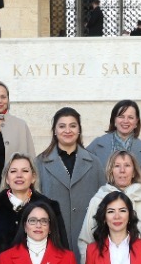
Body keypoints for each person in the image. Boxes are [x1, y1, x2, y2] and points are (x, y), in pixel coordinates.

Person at [37, 106, 104, 251]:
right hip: (53, 237)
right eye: (62, 126)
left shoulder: (95, 163)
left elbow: (103, 202)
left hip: (88, 237)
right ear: (54, 131)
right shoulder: (40, 163)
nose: (68, 130)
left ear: (79, 130)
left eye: (72, 126)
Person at [78, 151, 141, 256]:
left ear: (134, 172)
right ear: (110, 171)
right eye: (117, 166)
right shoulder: (98, 200)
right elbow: (85, 241)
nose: (122, 170)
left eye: (127, 165)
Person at [86, 100, 141, 179]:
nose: (125, 121)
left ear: (136, 122)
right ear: (114, 120)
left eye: (130, 117)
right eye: (121, 117)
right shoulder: (96, 145)